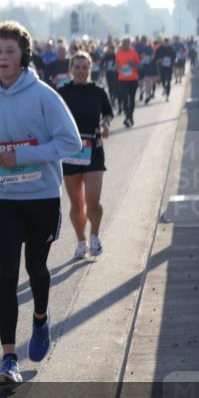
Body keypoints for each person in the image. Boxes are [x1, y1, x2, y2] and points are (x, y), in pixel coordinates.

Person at [0, 21, 81, 385]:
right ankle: (8, 358)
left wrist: (27, 156)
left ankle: (40, 317)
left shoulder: (45, 95)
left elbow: (71, 143)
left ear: (23, 57)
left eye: (9, 51)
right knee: (5, 274)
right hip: (3, 198)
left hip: (41, 198)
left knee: (35, 267)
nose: (2, 57)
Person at [59, 52, 113, 260]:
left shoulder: (98, 92)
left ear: (90, 70)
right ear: (71, 70)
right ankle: (81, 241)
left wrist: (105, 124)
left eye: (85, 67)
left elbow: (107, 113)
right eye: (77, 67)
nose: (81, 71)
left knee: (93, 201)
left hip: (94, 149)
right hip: (71, 151)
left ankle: (95, 236)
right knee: (76, 204)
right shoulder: (62, 92)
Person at [114, 37, 141, 127]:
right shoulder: (118, 53)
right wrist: (118, 68)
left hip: (133, 79)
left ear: (130, 44)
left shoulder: (134, 53)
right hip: (122, 80)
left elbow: (139, 66)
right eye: (124, 43)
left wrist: (133, 64)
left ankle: (130, 116)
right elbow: (117, 65)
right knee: (125, 100)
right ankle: (127, 116)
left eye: (127, 43)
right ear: (122, 44)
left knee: (132, 99)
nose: (126, 45)